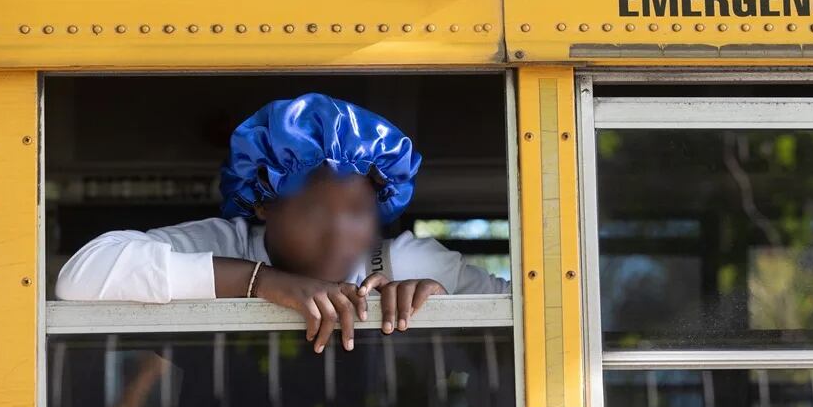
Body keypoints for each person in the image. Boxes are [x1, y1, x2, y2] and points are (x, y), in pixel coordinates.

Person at [56, 93, 510, 353]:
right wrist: (262, 282)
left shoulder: (405, 261)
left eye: (357, 212)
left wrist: (445, 307)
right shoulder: (225, 243)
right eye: (312, 210)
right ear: (262, 205)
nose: (339, 233)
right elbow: (80, 277)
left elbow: (537, 316)